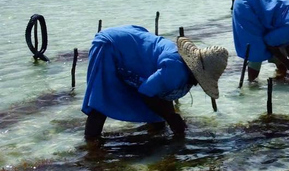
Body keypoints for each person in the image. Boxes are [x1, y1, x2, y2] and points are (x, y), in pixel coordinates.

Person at [81, 25, 228, 140]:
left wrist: (169, 115)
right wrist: (171, 117)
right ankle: (91, 147)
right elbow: (146, 92)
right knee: (100, 103)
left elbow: (160, 89)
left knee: (158, 116)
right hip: (111, 46)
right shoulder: (177, 70)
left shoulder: (179, 63)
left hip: (129, 41)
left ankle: (152, 139)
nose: (196, 84)